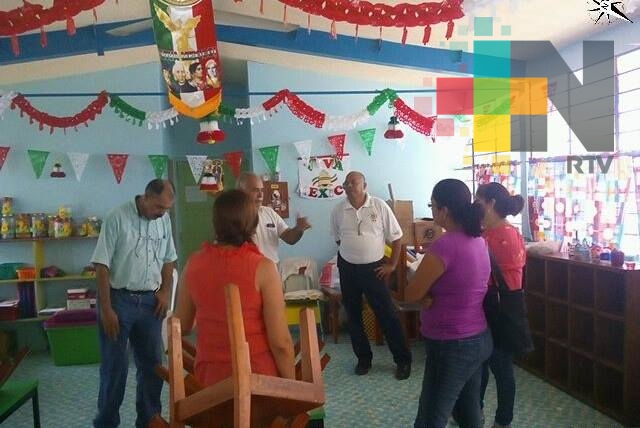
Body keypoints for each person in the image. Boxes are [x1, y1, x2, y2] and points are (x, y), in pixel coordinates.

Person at [174, 189, 295, 388]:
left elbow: (182, 325)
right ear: (253, 223)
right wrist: (291, 388)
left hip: (211, 382)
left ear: (215, 224)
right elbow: (280, 342)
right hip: (258, 380)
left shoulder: (193, 264)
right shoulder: (264, 268)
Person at [405, 178, 493, 428]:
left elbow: (412, 293)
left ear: (444, 210)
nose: (431, 211)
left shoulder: (444, 244)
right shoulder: (477, 239)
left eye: (432, 206)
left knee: (431, 417)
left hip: (451, 343)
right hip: (478, 337)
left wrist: (423, 294)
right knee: (468, 412)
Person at [91, 179, 178, 428]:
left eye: (167, 209)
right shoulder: (116, 217)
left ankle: (148, 420)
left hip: (152, 303)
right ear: (146, 197)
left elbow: (170, 259)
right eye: (159, 207)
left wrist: (164, 291)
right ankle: (106, 422)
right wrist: (106, 309)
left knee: (153, 366)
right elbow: (101, 265)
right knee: (115, 367)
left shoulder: (163, 219)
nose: (162, 213)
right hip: (119, 300)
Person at [330, 171, 412, 380]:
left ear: (364, 185)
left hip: (374, 269)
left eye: (354, 182)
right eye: (346, 182)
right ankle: (363, 359)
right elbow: (338, 239)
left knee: (387, 314)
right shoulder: (338, 210)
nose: (349, 185)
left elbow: (397, 238)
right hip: (347, 269)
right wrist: (353, 253)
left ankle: (403, 360)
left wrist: (392, 264)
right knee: (354, 315)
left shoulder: (379, 206)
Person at [475, 182, 526, 428]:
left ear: (491, 203)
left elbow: (487, 276)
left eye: (479, 199)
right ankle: (477, 412)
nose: (475, 204)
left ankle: (501, 419)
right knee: (484, 365)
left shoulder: (501, 236)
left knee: (499, 367)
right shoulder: (496, 232)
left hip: (498, 309)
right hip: (494, 306)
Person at [236, 172, 311, 264]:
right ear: (240, 192)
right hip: (247, 270)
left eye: (262, 190)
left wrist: (299, 228)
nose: (260, 195)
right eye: (255, 190)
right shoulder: (233, 217)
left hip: (271, 270)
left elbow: (290, 238)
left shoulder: (269, 212)